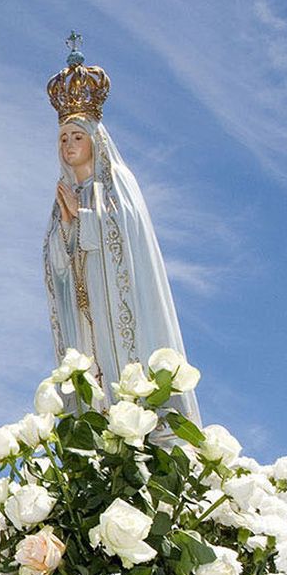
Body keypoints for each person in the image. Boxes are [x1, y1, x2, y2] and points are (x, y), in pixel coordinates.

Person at [42, 37, 200, 423]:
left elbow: (127, 235)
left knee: (127, 389)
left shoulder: (117, 184)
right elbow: (56, 266)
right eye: (63, 138)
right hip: (85, 317)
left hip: (120, 315)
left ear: (95, 141)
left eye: (77, 136)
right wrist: (65, 229)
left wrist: (86, 219)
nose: (68, 145)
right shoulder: (64, 195)